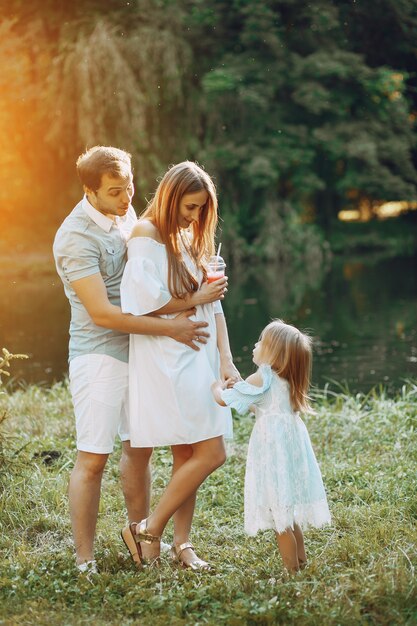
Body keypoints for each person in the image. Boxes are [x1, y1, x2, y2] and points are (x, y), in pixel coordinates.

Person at [53, 146, 213, 573]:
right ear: (90, 191)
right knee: (93, 458)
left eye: (129, 188)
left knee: (139, 450)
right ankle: (84, 560)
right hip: (100, 355)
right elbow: (103, 314)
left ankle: (140, 538)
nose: (127, 200)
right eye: (115, 193)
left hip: (141, 353)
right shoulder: (74, 237)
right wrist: (173, 327)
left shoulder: (129, 220)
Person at [119, 161, 240, 569]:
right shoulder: (146, 236)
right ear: (171, 197)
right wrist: (195, 301)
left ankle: (181, 544)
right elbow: (141, 302)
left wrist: (226, 358)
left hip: (201, 354)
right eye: (190, 207)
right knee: (212, 451)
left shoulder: (185, 236)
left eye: (201, 209)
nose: (195, 216)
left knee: (188, 453)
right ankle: (149, 529)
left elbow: (214, 305)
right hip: (169, 357)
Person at [212, 319, 331, 573]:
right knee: (287, 513)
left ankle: (292, 574)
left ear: (273, 353)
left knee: (280, 521)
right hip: (290, 452)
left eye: (260, 342)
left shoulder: (261, 377)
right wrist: (242, 385)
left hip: (273, 454)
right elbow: (259, 403)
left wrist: (216, 387)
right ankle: (301, 562)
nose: (255, 345)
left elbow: (225, 401)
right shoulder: (288, 380)